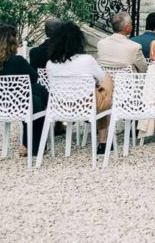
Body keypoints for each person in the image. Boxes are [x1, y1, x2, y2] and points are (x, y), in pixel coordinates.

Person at [47, 22, 114, 154]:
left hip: (61, 106)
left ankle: (102, 137)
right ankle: (103, 141)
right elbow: (100, 78)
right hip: (86, 105)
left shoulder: (50, 64)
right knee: (106, 80)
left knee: (99, 94)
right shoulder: (87, 60)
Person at [0, 26, 48, 156]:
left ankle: (28, 144)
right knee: (37, 95)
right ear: (11, 43)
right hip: (19, 105)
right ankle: (31, 145)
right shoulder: (18, 61)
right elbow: (34, 77)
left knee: (35, 93)